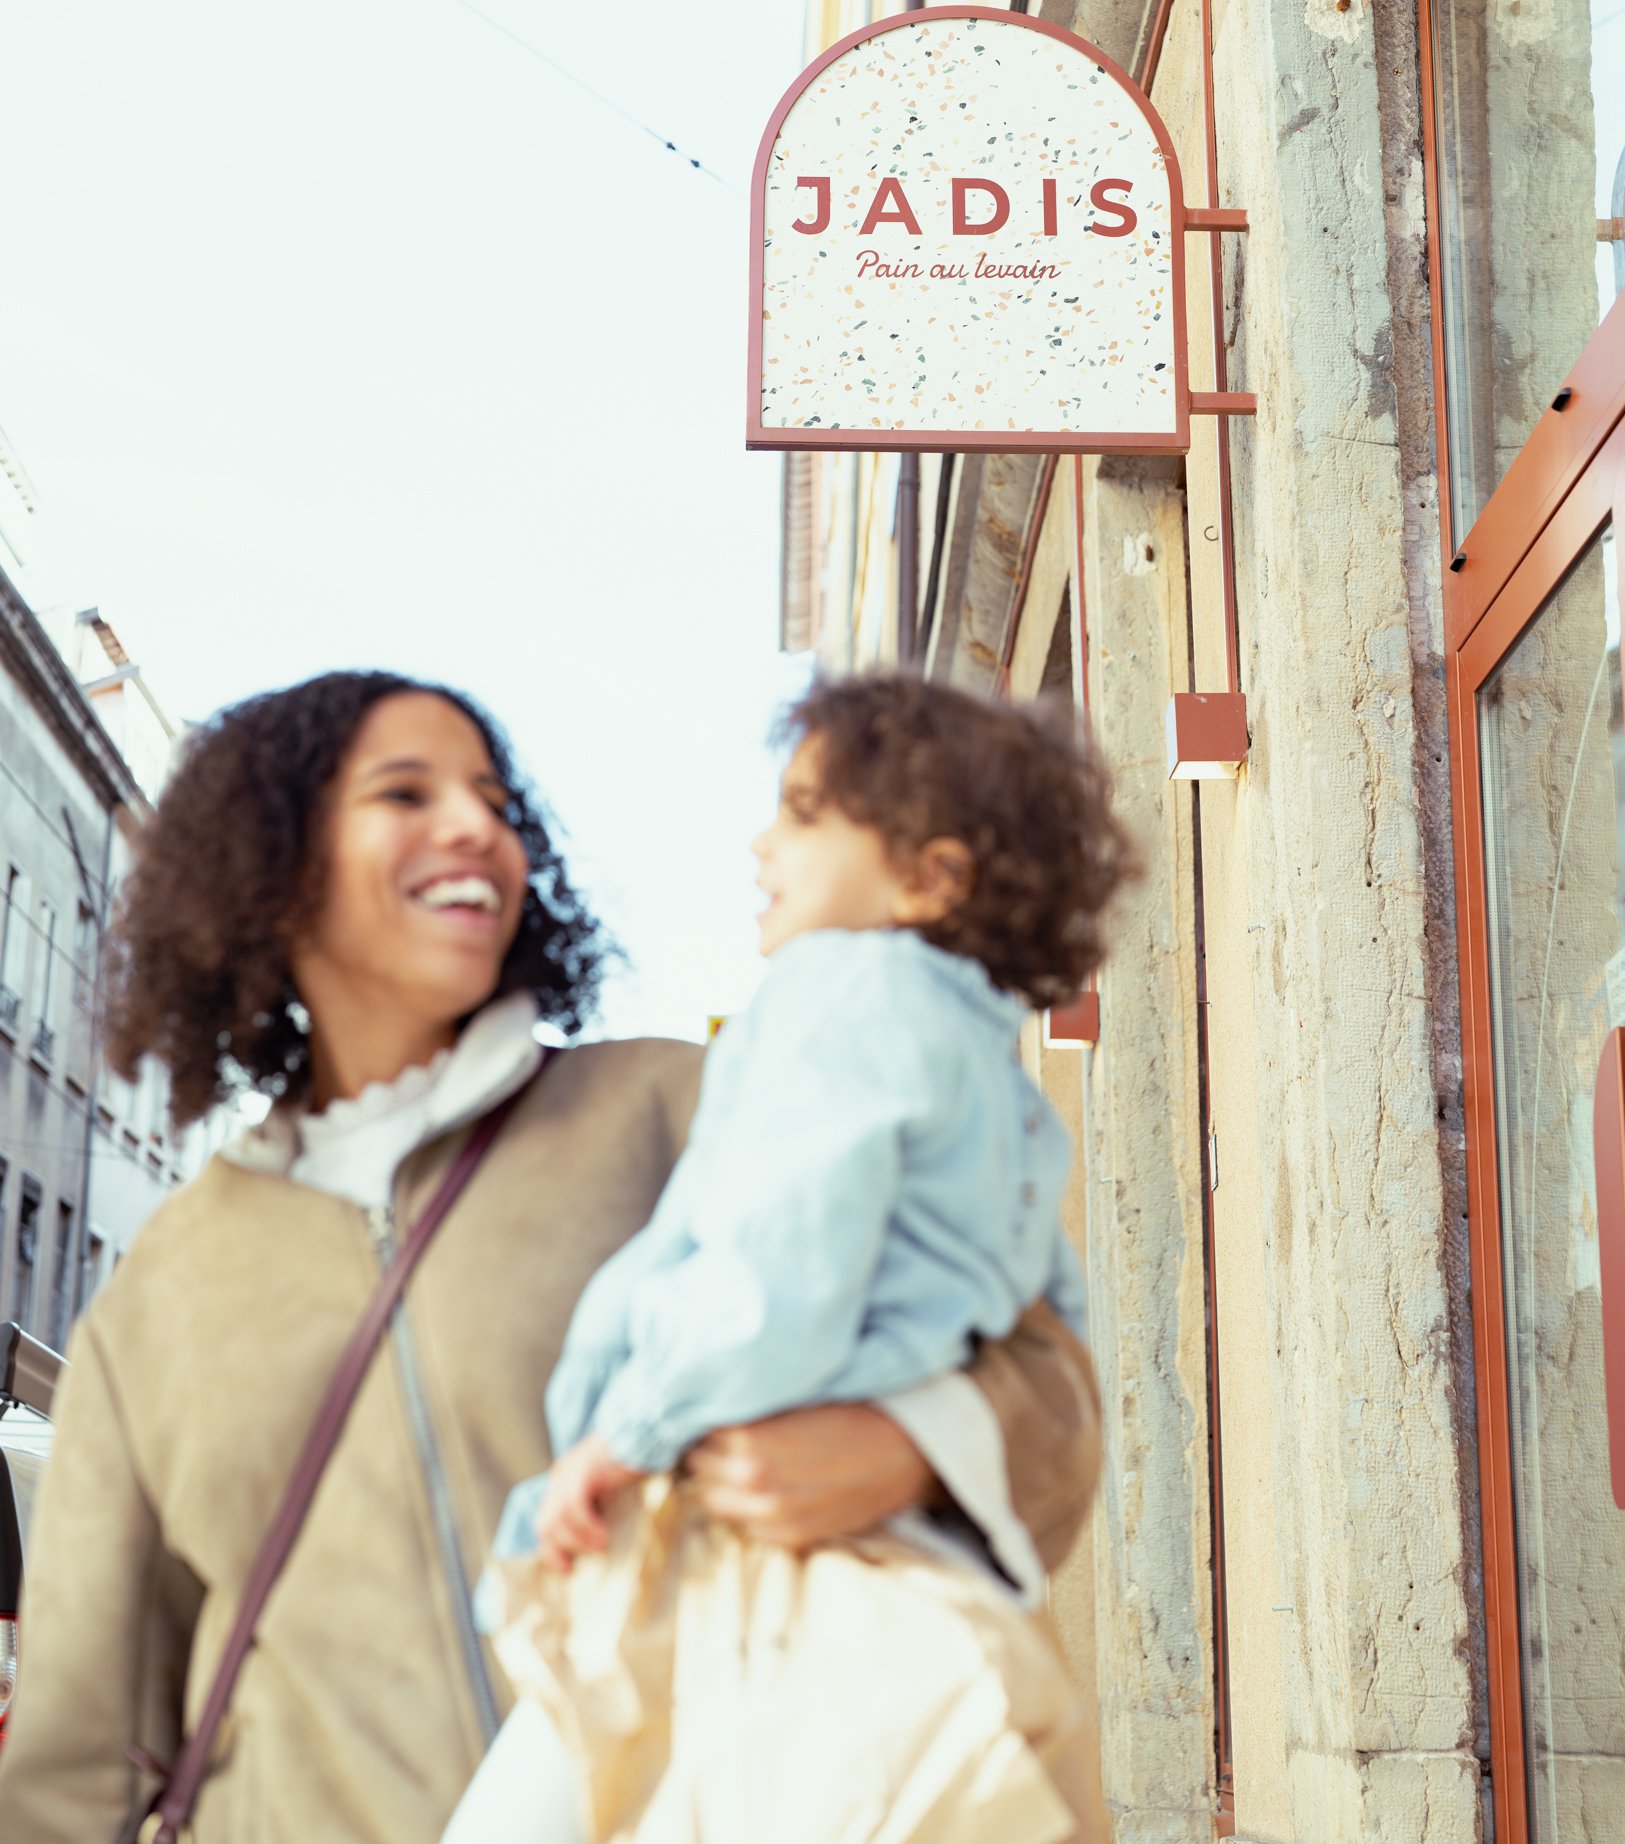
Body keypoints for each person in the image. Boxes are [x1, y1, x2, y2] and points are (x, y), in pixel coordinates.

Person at [0, 669, 1104, 1844]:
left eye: (490, 794)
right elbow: (79, 1749)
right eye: (405, 791)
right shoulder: (163, 1287)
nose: (478, 824)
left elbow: (1053, 1386)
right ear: (273, 868)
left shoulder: (687, 1110)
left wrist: (903, 1448)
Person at [448, 669, 1133, 1844]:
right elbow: (1055, 1328)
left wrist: (630, 1432)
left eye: (805, 813)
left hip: (752, 1550)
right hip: (916, 1566)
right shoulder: (998, 1081)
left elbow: (778, 1273)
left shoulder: (838, 992)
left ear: (930, 877)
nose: (761, 840)